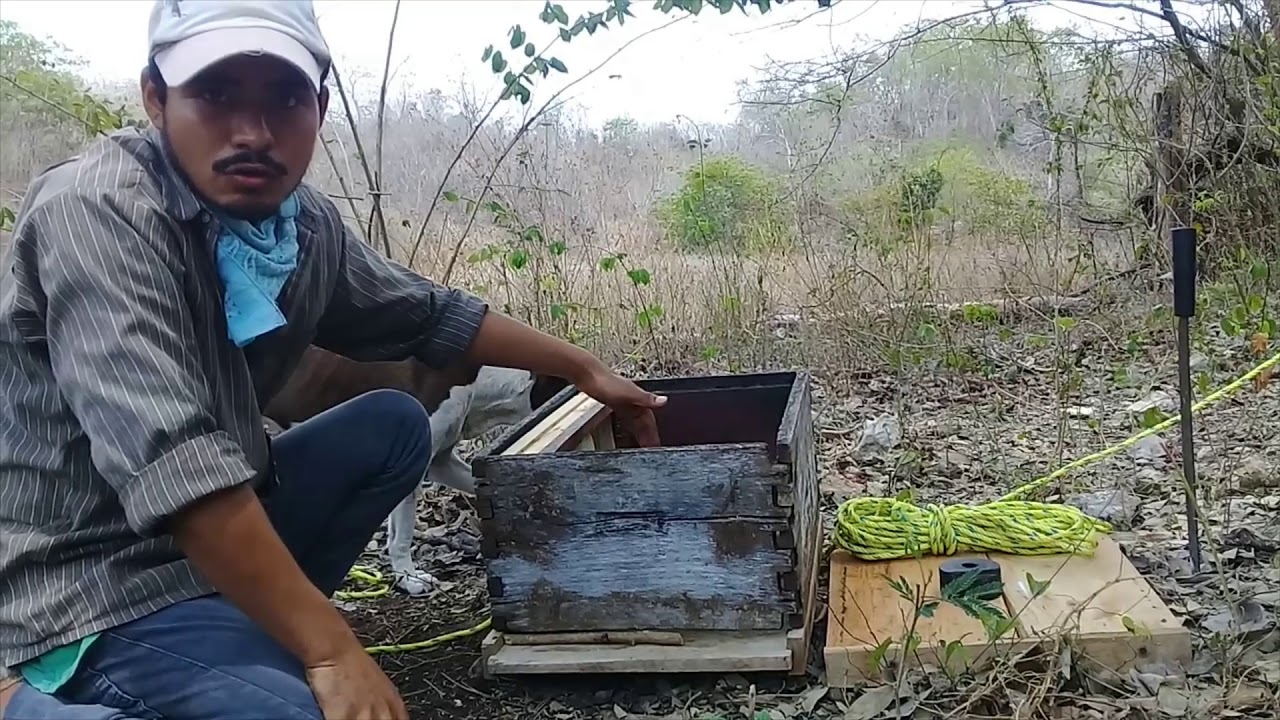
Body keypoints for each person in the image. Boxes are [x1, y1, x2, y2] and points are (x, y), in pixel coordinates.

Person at [0, 2, 667, 719]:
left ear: (319, 107)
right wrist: (331, 649)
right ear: (156, 98)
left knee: (393, 424)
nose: (252, 133)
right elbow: (177, 466)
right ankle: (26, 695)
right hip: (86, 580)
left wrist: (585, 370)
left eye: (285, 99)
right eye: (216, 94)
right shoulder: (97, 210)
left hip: (207, 549)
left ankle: (250, 626)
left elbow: (434, 315)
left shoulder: (298, 227)